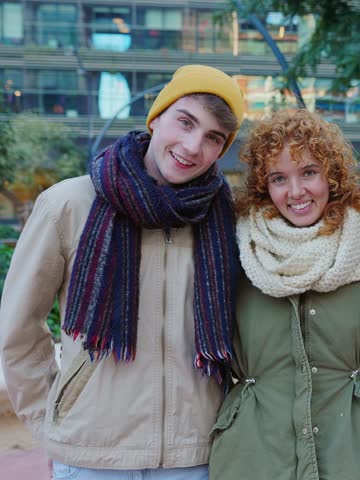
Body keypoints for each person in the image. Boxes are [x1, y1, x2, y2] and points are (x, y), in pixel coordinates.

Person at [0, 64, 245, 478]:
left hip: (195, 455)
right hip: (92, 456)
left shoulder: (227, 218)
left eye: (212, 138)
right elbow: (19, 329)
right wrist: (54, 421)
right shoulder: (69, 204)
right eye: (185, 122)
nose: (192, 145)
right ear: (156, 116)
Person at [208, 110, 360, 480]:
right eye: (279, 178)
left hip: (354, 454)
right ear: (265, 186)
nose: (296, 192)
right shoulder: (239, 250)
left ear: (332, 174)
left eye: (309, 172)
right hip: (253, 455)